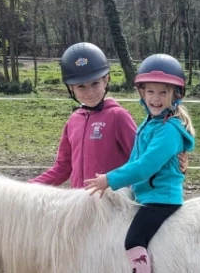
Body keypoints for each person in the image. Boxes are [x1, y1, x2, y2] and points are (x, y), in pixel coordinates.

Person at [85, 54, 195, 273]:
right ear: (142, 94)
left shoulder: (169, 131)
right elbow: (133, 161)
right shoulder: (147, 125)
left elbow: (146, 166)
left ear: (174, 95)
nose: (155, 98)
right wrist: (118, 185)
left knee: (133, 240)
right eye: (150, 92)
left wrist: (109, 179)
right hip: (144, 196)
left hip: (161, 200)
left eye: (163, 92)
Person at [29, 42, 137, 189]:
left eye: (95, 84)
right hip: (80, 204)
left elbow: (141, 160)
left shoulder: (118, 116)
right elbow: (62, 168)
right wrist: (28, 187)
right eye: (81, 86)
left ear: (106, 80)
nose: (89, 92)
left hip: (111, 204)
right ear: (71, 88)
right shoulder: (73, 121)